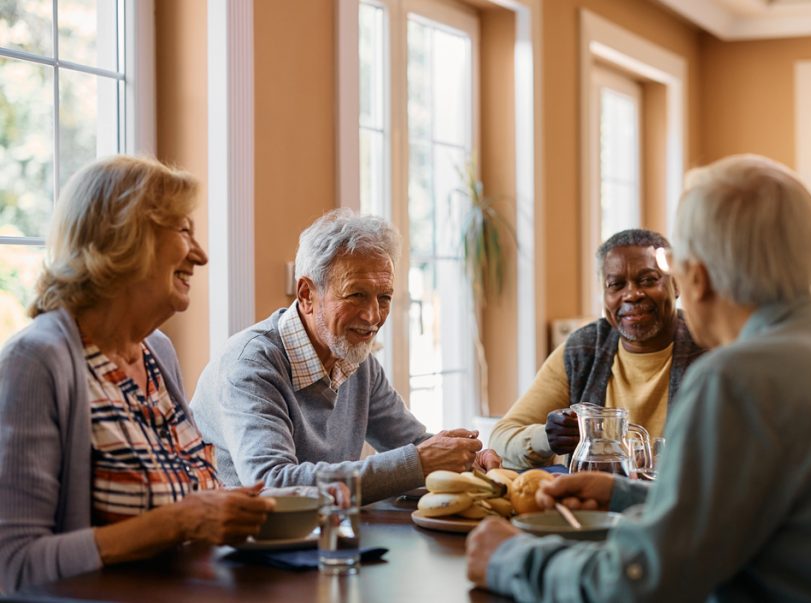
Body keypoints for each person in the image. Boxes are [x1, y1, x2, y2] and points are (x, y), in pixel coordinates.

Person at [466, 155, 811, 601]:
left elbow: (644, 585)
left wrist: (513, 559)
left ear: (699, 277)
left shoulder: (735, 381)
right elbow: (781, 517)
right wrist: (621, 494)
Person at [0, 156, 274, 594]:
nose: (200, 256)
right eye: (184, 231)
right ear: (126, 236)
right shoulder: (36, 361)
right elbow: (14, 566)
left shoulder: (157, 352)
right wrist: (179, 521)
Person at [190, 209, 500, 503]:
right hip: (237, 549)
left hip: (323, 536)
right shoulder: (250, 366)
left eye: (384, 298)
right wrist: (418, 462)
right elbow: (273, 484)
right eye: (356, 295)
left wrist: (466, 458)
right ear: (307, 295)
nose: (373, 316)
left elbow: (413, 444)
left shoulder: (356, 359)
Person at [489, 229, 705, 469]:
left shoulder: (710, 346)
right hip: (592, 504)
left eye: (648, 280)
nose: (632, 294)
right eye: (616, 285)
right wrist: (547, 439)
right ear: (604, 295)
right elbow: (500, 440)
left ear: (675, 285)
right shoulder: (583, 350)